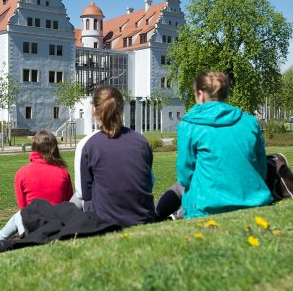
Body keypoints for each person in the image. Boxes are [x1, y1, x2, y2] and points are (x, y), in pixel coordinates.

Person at [156, 71, 273, 220]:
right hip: (254, 200)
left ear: (201, 94)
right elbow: (261, 169)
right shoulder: (249, 121)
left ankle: (153, 216)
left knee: (180, 186)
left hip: (208, 206)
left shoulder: (189, 125)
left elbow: (185, 176)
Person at [71, 86, 155, 227]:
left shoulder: (87, 145)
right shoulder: (141, 141)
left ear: (94, 111)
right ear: (122, 109)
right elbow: (149, 181)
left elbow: (83, 193)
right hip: (143, 218)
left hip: (104, 222)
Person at [0, 130, 73, 240]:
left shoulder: (22, 173)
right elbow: (68, 203)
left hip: (33, 225)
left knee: (17, 216)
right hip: (57, 223)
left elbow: (23, 207)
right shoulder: (63, 173)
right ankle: (0, 236)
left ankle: (0, 238)